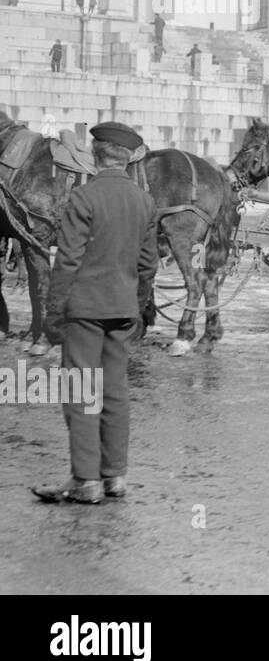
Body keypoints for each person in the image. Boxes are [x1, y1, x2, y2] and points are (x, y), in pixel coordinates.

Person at [32, 122, 158, 503]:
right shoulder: (145, 202)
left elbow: (67, 262)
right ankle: (114, 476)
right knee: (115, 393)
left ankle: (85, 479)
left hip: (85, 310)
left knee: (82, 391)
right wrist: (135, 307)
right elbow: (148, 264)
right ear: (126, 158)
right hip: (122, 310)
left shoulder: (83, 197)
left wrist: (53, 314)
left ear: (94, 154)